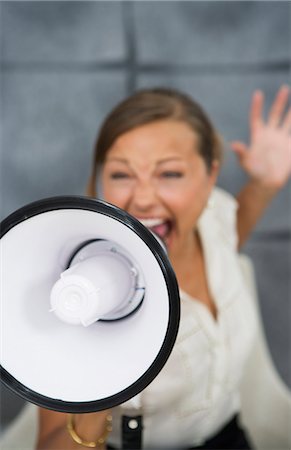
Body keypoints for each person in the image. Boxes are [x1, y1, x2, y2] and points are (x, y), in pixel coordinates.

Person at [36, 85, 291, 450]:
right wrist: (97, 379)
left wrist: (264, 185)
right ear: (99, 180)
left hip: (229, 437)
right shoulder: (75, 293)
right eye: (122, 175)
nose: (141, 198)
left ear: (210, 177)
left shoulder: (214, 214)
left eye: (169, 174)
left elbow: (229, 235)